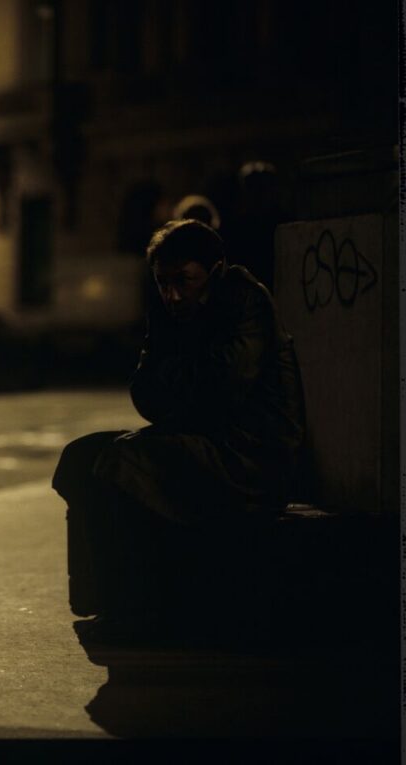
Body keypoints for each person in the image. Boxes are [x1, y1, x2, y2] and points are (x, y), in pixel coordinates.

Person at [52, 219, 305, 641]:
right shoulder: (169, 309)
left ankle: (131, 608)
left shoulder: (244, 300)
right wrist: (182, 383)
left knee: (120, 463)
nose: (172, 294)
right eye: (163, 282)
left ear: (214, 271)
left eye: (184, 281)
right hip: (202, 435)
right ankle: (96, 597)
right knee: (81, 456)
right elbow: (146, 395)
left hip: (253, 454)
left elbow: (223, 385)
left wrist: (176, 380)